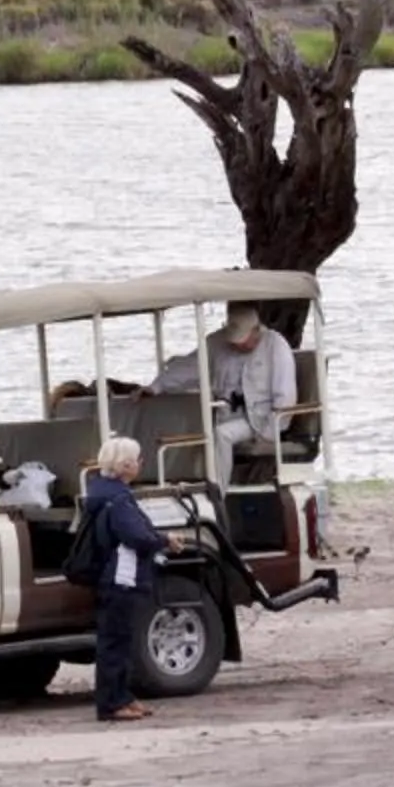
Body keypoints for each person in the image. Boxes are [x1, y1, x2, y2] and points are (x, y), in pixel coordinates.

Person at [82, 434, 170, 723]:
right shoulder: (118, 498)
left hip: (111, 573)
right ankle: (111, 703)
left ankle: (123, 696)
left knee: (120, 639)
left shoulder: (100, 491)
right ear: (127, 465)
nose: (142, 464)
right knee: (115, 642)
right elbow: (135, 536)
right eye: (138, 459)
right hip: (121, 576)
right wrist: (164, 540)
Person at [148, 305, 296, 469]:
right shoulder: (216, 342)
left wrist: (270, 432)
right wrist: (156, 386)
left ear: (256, 330)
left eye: (243, 340)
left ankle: (217, 489)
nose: (238, 346)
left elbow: (285, 393)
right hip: (223, 414)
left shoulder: (275, 345)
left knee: (222, 434)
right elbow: (190, 367)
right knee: (186, 426)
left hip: (258, 420)